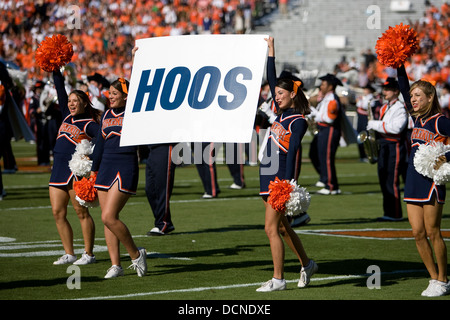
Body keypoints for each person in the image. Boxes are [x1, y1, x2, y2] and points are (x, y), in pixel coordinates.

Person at [257, 37, 317, 292]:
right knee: (282, 227)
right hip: (266, 173)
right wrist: (271, 51)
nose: (276, 96)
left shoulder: (299, 121)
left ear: (293, 94)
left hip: (280, 178)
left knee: (271, 227)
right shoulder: (281, 113)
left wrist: (288, 184)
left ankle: (279, 279)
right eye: (276, 94)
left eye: (281, 94)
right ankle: (307, 263)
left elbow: (293, 153)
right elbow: (272, 78)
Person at [397, 65, 450, 297]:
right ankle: (433, 278)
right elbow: (401, 85)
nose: (413, 98)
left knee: (433, 231)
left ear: (430, 97)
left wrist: (444, 157)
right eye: (412, 95)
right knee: (417, 232)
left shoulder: (440, 121)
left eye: (418, 95)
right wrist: (399, 62)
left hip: (431, 180)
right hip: (412, 179)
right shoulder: (416, 118)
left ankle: (444, 278)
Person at [91, 77, 147, 278]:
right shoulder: (106, 114)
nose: (110, 96)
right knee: (106, 219)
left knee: (109, 216)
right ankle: (116, 265)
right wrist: (92, 170)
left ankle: (136, 254)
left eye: (115, 94)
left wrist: (134, 58)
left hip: (125, 165)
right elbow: (99, 144)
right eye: (109, 93)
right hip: (105, 166)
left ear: (125, 96)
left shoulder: (135, 113)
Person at [49, 68, 101, 266]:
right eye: (69, 101)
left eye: (75, 101)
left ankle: (88, 254)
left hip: (74, 173)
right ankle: (69, 253)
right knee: (57, 212)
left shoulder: (88, 123)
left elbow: (102, 137)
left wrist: (89, 155)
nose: (70, 104)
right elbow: (60, 89)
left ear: (84, 103)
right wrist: (56, 70)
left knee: (81, 212)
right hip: (57, 170)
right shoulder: (65, 116)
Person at [366, 77, 408, 221]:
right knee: (383, 179)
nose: (385, 92)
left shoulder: (400, 108)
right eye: (384, 89)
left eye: (388, 89)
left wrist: (374, 124)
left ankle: (395, 213)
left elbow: (396, 128)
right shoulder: (385, 107)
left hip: (394, 146)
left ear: (396, 91)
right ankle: (388, 212)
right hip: (384, 145)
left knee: (392, 179)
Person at [308, 73, 343, 195]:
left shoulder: (332, 99)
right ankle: (326, 180)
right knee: (319, 156)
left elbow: (329, 118)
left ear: (330, 86)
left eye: (323, 84)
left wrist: (312, 112)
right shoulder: (327, 98)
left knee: (327, 158)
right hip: (323, 130)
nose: (321, 86)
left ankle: (331, 186)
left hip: (329, 130)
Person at [145, 143, 176, 236]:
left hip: (166, 146)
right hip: (152, 148)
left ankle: (162, 223)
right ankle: (165, 222)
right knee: (150, 189)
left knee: (163, 188)